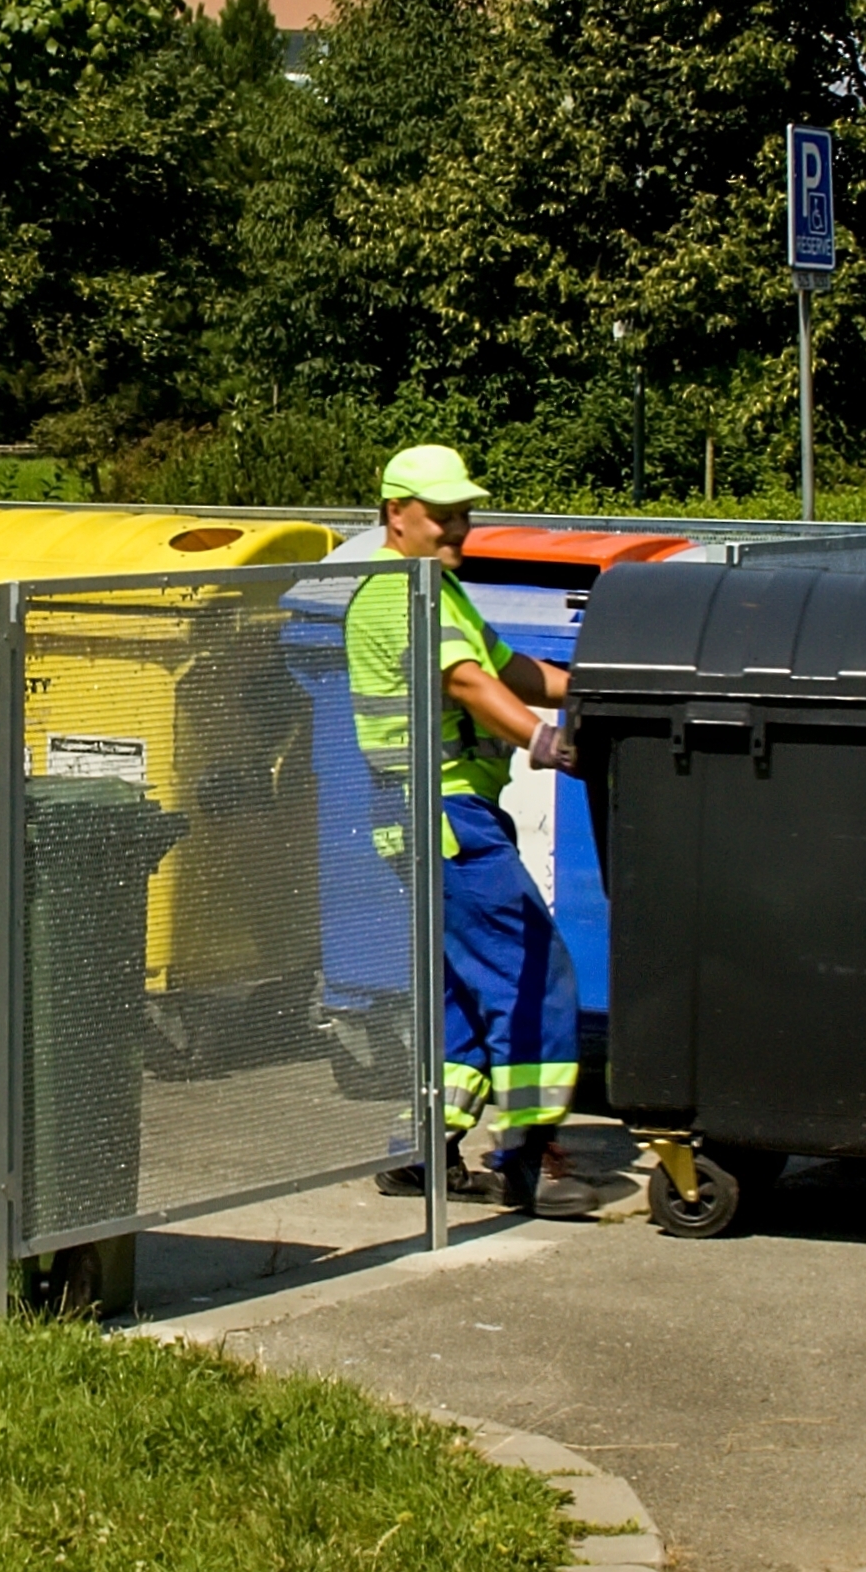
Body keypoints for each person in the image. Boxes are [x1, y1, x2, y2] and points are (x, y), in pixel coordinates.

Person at [349, 445, 597, 1219]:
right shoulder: (398, 598)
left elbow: (507, 667)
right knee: (531, 972)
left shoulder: (437, 588)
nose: (460, 526)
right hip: (445, 818)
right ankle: (531, 1157)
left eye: (464, 512)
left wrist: (597, 685)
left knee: (466, 986)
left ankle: (421, 1150)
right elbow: (468, 682)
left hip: (439, 820)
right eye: (442, 514)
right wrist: (542, 741)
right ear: (397, 515)